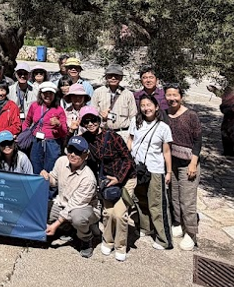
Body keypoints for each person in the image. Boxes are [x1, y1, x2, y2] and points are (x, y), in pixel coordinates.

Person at [78, 107, 136, 262]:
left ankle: (120, 246)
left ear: (99, 120)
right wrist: (71, 132)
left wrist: (118, 178)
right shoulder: (85, 139)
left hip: (125, 178)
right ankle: (108, 241)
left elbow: (128, 159)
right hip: (107, 181)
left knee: (120, 215)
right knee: (108, 213)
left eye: (93, 120)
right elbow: (71, 148)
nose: (91, 124)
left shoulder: (112, 136)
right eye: (86, 121)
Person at [42, 136, 100, 257]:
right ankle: (69, 229)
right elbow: (54, 180)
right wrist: (47, 178)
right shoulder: (61, 161)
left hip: (85, 209)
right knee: (41, 208)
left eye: (78, 152)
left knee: (77, 217)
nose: (72, 154)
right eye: (70, 150)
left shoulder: (88, 178)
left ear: (86, 155)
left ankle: (86, 238)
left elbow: (74, 206)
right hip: (62, 204)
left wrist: (55, 225)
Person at [130, 95, 174, 250]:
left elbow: (167, 151)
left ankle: (164, 239)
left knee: (157, 204)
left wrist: (168, 172)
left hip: (155, 169)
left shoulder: (163, 127)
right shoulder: (136, 123)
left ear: (156, 107)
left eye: (149, 105)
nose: (146, 108)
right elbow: (131, 142)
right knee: (140, 200)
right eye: (143, 105)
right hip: (138, 167)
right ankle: (145, 228)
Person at [165, 84, 202, 251]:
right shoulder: (165, 115)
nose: (172, 98)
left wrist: (193, 162)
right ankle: (178, 222)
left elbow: (198, 141)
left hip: (188, 163)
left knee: (187, 199)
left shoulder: (191, 115)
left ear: (181, 96)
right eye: (169, 95)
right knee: (174, 196)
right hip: (172, 162)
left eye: (175, 95)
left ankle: (191, 233)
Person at [22, 81, 68, 174]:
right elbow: (27, 122)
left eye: (50, 93)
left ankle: (50, 188)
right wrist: (26, 133)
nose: (48, 96)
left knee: (51, 170)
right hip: (36, 142)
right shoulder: (34, 106)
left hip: (52, 143)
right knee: (35, 168)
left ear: (54, 95)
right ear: (40, 94)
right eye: (45, 93)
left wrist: (58, 124)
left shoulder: (59, 109)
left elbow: (64, 131)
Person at [92, 63, 137, 136]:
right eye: (110, 76)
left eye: (116, 75)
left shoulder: (128, 94)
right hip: (103, 133)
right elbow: (93, 114)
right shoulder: (97, 92)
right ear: (106, 77)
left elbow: (133, 117)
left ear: (121, 78)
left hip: (123, 133)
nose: (113, 78)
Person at [0, 79, 21, 152]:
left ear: (7, 92)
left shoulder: (12, 106)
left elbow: (17, 126)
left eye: (2, 90)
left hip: (5, 143)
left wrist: (0, 131)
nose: (0, 93)